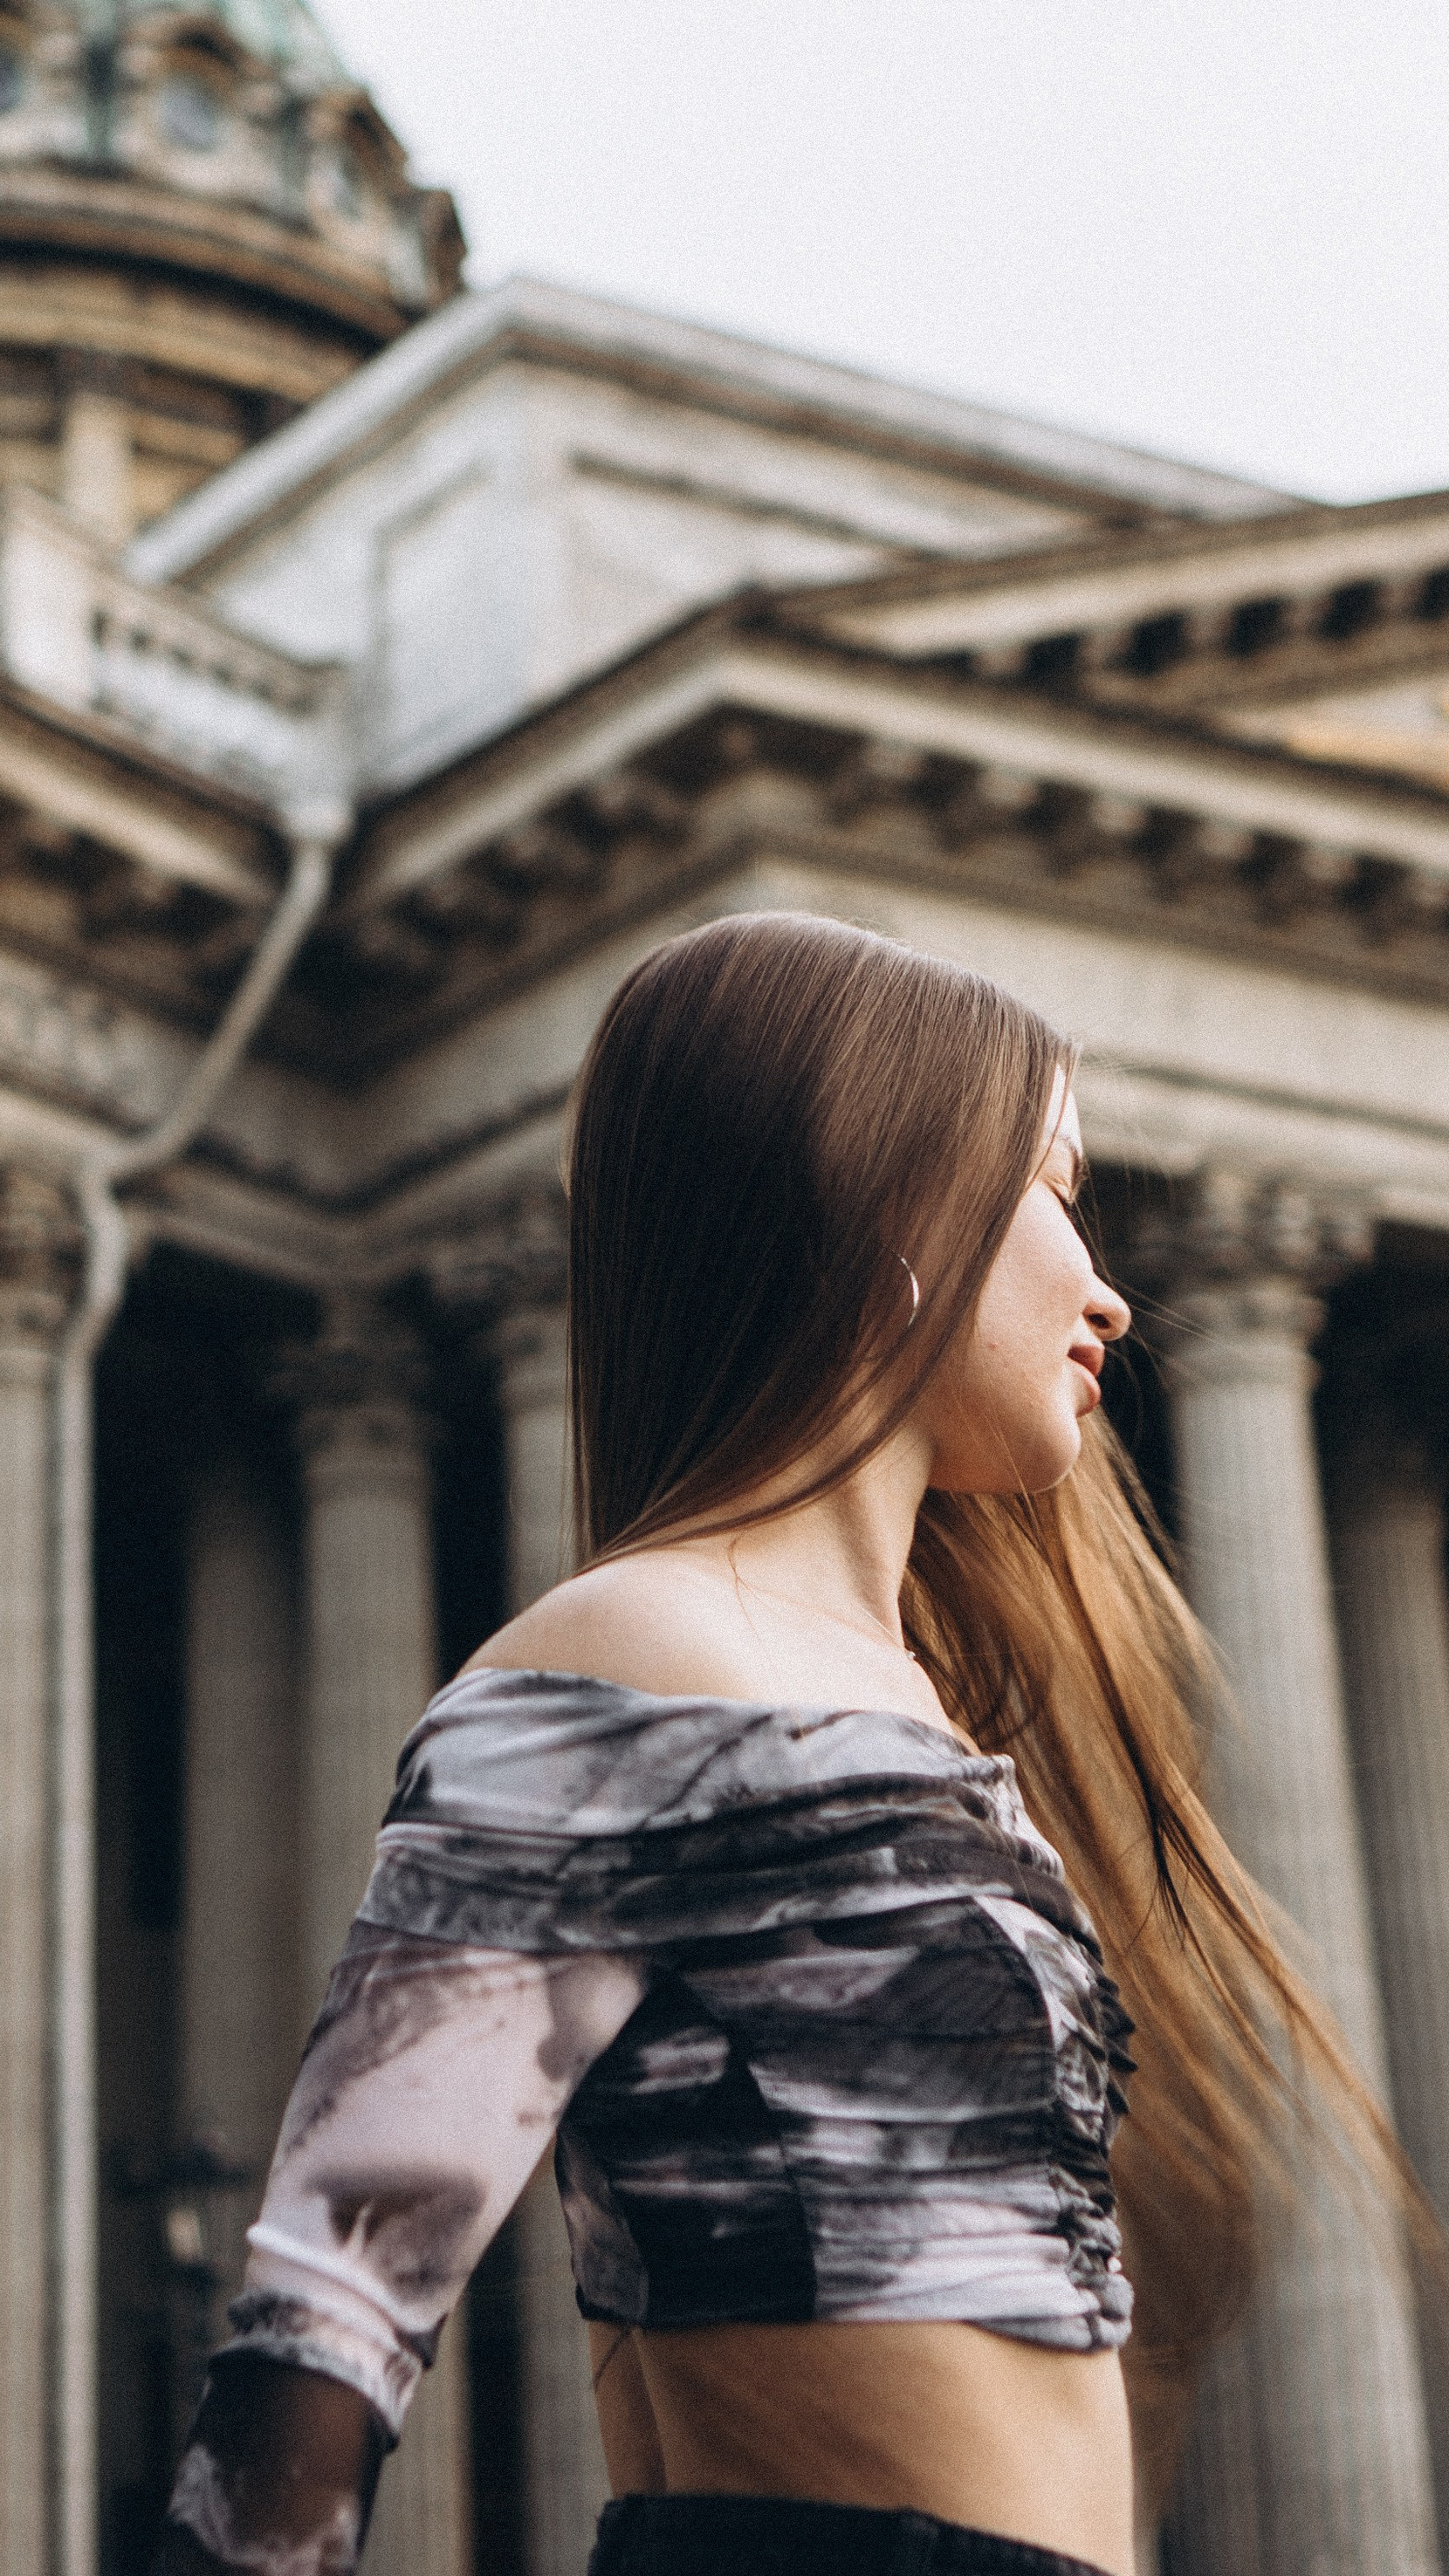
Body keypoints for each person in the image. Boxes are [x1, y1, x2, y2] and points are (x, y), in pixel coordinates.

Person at [152, 911, 1417, 2576]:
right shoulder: (626, 1665)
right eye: (1053, 1188)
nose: (1106, 1286)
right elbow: (333, 2304)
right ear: (889, 1201)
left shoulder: (899, 1702)